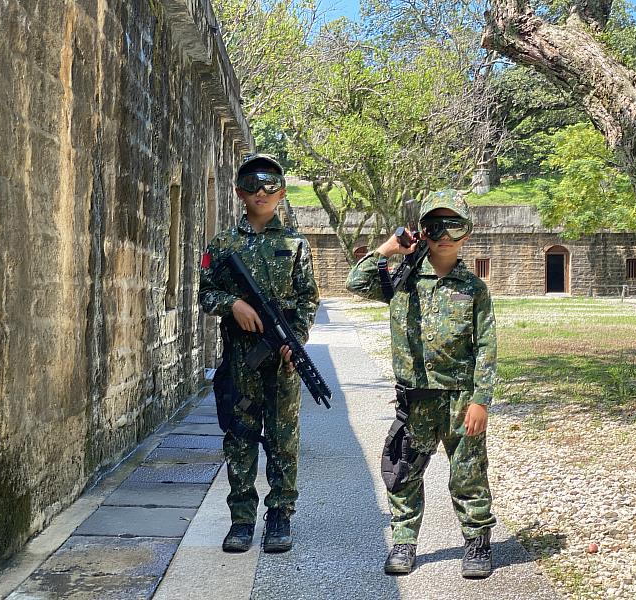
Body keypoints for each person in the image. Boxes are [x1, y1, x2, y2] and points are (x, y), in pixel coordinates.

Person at [346, 189, 497, 577]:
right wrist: (389, 248)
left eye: (454, 225)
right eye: (434, 225)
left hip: (460, 398)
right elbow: (356, 282)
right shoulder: (403, 280)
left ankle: (477, 543)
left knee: (468, 473)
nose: (444, 234)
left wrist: (481, 400)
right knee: (404, 472)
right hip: (414, 398)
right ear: (422, 231)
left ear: (467, 231)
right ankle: (404, 542)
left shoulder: (474, 288)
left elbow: (486, 346)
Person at [199, 153, 319, 554]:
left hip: (282, 359)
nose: (261, 192)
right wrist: (233, 304)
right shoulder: (223, 245)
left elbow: (307, 299)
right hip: (240, 360)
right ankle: (241, 519)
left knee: (284, 437)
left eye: (270, 185)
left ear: (282, 193)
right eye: (252, 184)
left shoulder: (295, 245)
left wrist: (294, 339)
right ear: (239, 192)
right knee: (240, 436)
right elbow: (205, 294)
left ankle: (281, 515)